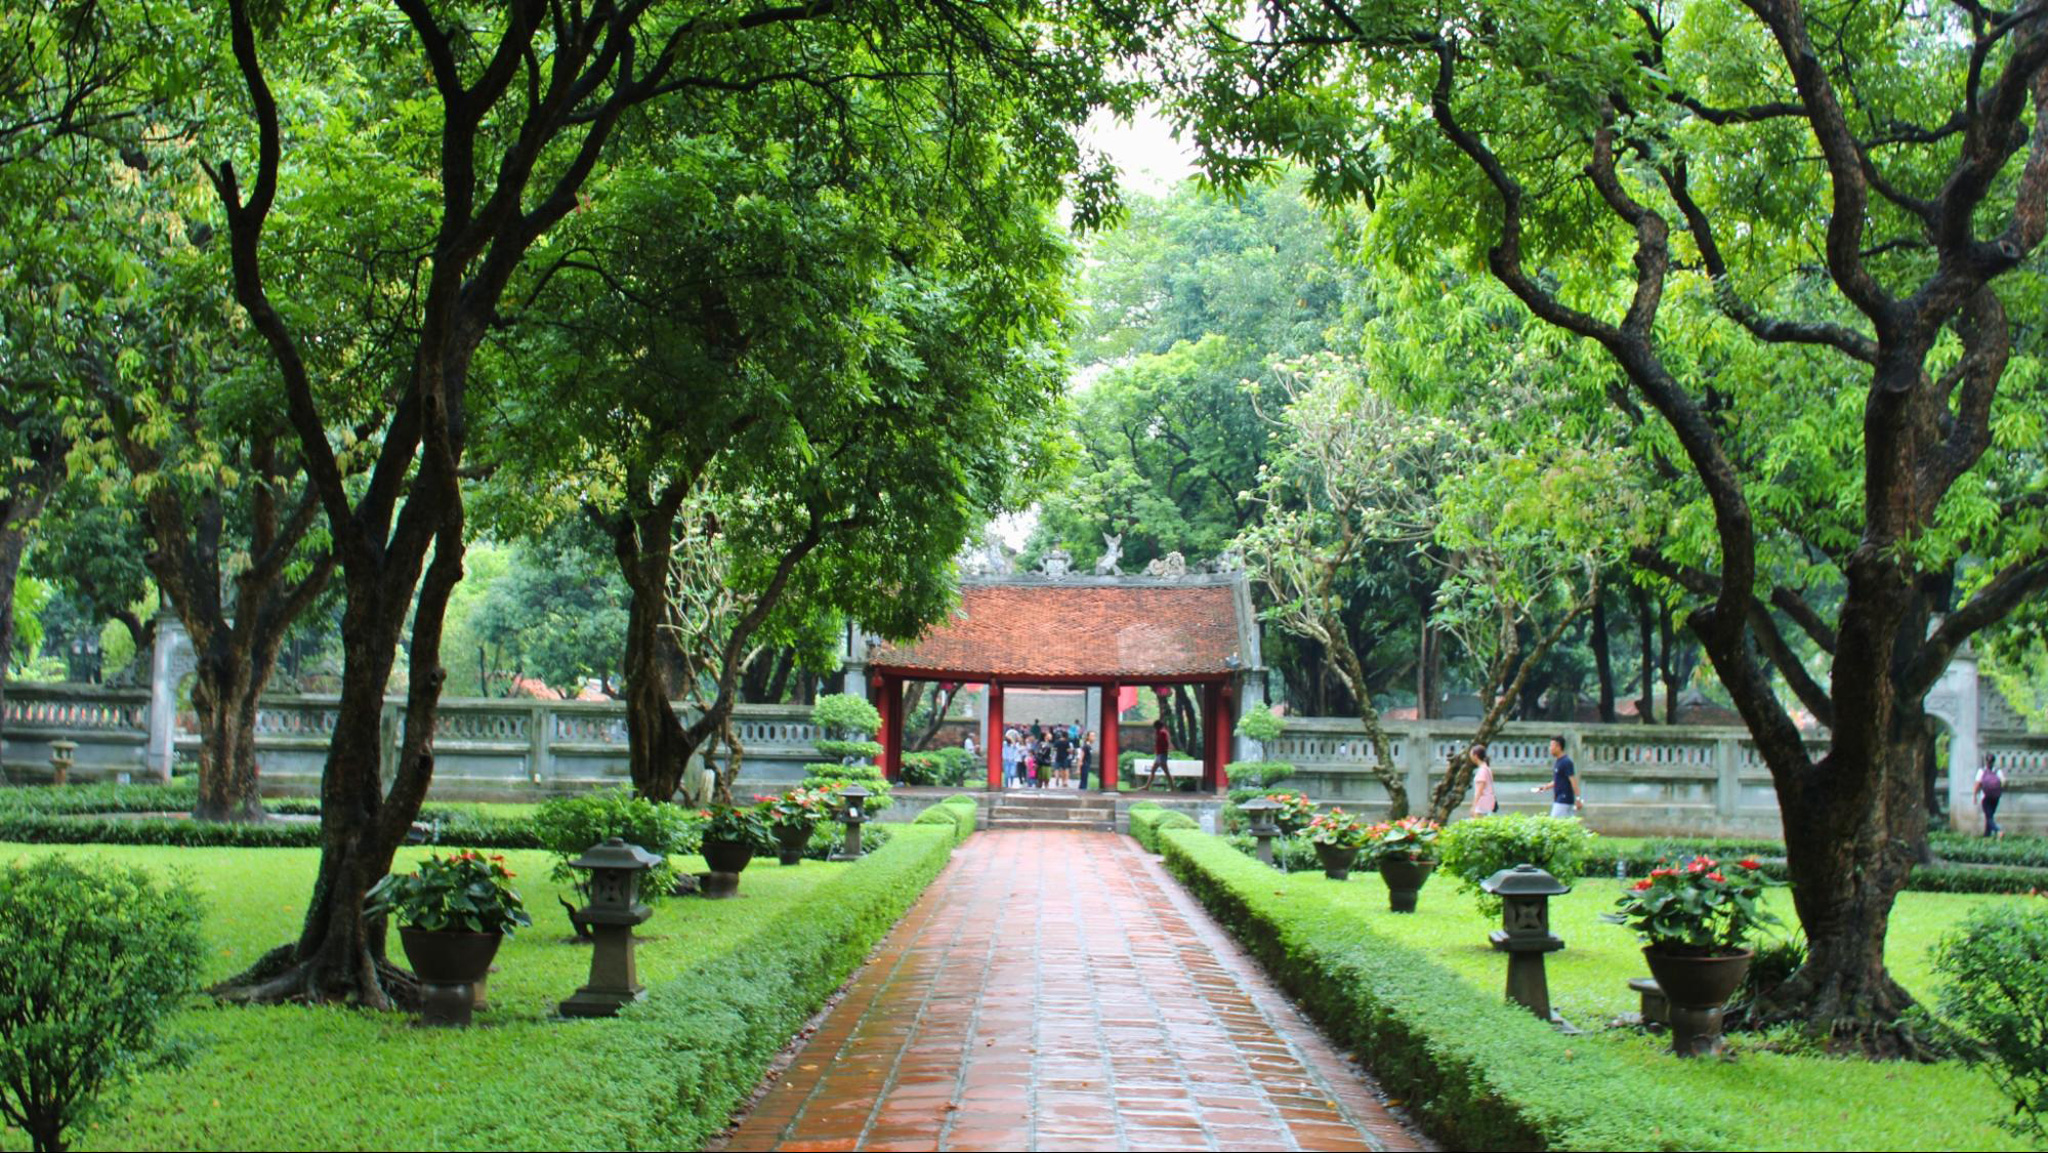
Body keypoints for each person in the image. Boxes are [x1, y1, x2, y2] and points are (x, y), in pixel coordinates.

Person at [1532, 735, 1581, 818]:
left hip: (1564, 799)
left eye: (1552, 746)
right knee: (1564, 823)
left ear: (1558, 747)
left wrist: (1578, 798)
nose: (1550, 748)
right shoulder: (1558, 762)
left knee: (1554, 821)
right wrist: (1545, 787)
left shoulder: (1566, 762)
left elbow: (1573, 781)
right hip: (1559, 798)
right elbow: (1558, 780)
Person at [1975, 753, 2006, 838]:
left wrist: (1974, 795)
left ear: (1986, 761)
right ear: (1994, 761)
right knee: (1989, 815)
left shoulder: (1981, 771)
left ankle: (1998, 830)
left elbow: (1977, 784)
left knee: (1989, 817)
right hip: (1995, 797)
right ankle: (1987, 834)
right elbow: (2003, 782)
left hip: (1985, 797)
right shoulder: (1998, 771)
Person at [1469, 743, 1497, 817]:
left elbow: (1479, 791)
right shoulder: (1487, 769)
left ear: (1475, 756)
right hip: (1489, 803)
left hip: (1482, 805)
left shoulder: (1482, 771)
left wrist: (1474, 806)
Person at [1145, 718, 1171, 790]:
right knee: (1153, 770)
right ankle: (1147, 786)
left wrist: (1163, 752)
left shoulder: (1162, 733)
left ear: (1158, 726)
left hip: (1162, 754)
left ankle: (1172, 787)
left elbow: (1165, 743)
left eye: (1155, 727)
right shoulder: (1159, 732)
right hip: (1159, 754)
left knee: (1166, 771)